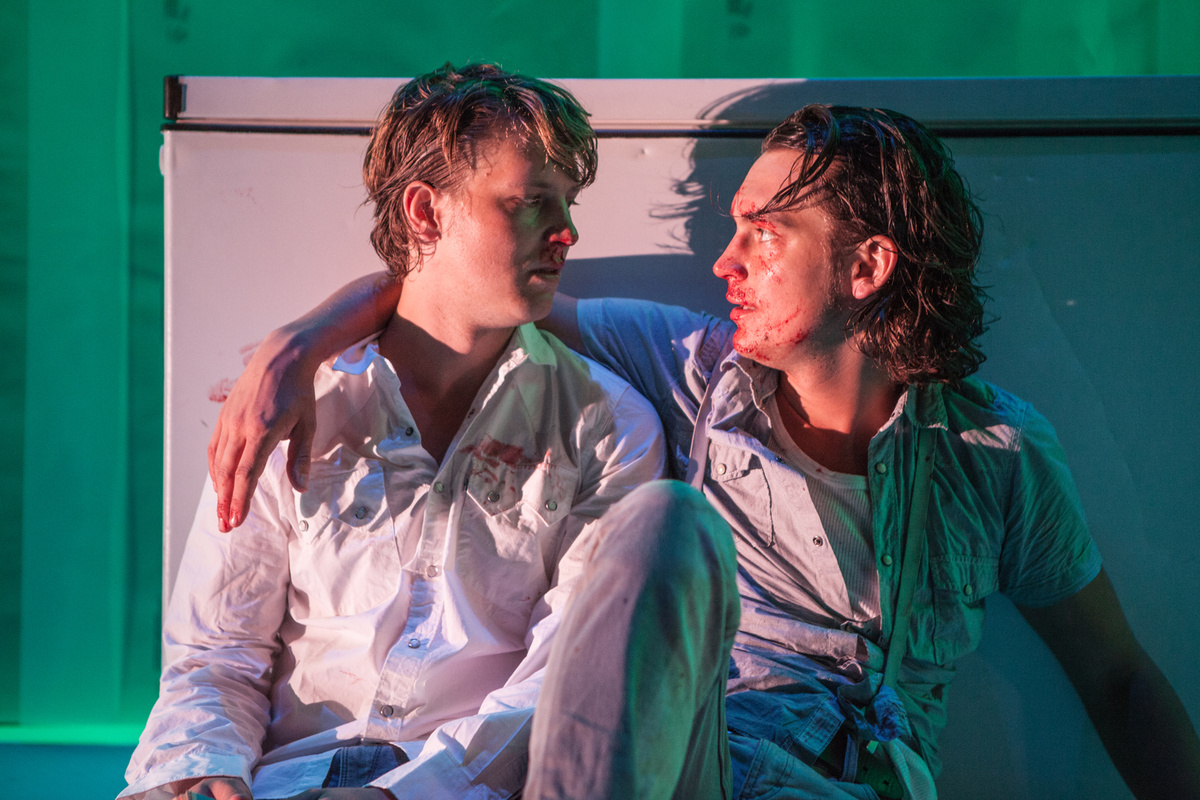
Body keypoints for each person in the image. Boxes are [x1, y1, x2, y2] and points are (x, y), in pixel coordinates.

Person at [208, 102, 1200, 799]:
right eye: (732, 231)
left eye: (763, 235)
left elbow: (1118, 677)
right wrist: (299, 344)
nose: (725, 262)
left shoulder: (996, 453)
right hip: (700, 769)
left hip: (869, 784)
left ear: (867, 265)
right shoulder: (693, 369)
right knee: (668, 522)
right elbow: (468, 292)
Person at [123, 64, 740, 800]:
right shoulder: (296, 401)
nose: (566, 232)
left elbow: (564, 685)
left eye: (567, 202)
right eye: (530, 201)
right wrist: (204, 776)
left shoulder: (608, 426)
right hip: (280, 781)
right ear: (426, 212)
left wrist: (400, 794)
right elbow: (214, 653)